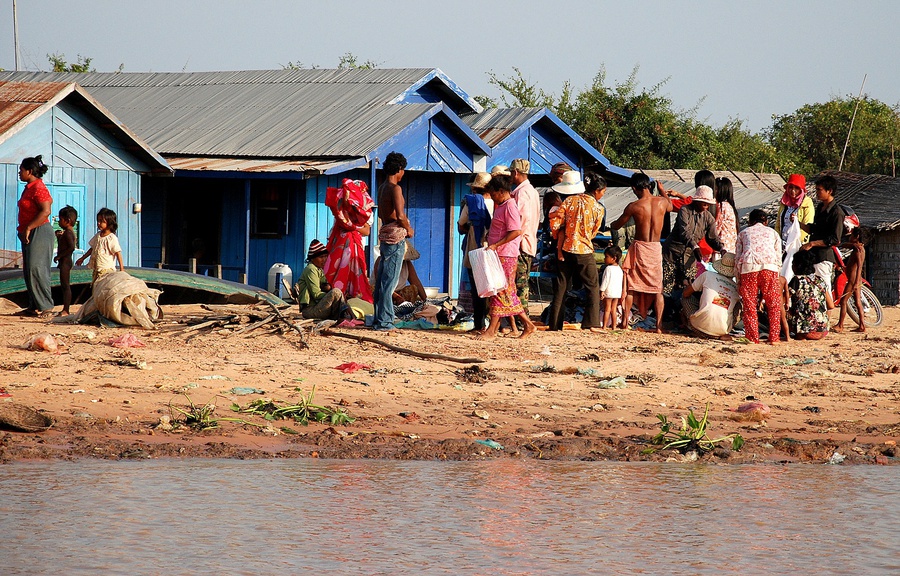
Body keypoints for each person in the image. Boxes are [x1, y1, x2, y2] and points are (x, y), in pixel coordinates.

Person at [609, 173, 674, 332]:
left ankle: (624, 322)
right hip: (655, 248)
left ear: (634, 188)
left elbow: (617, 225)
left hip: (640, 248)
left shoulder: (634, 206)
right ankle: (659, 326)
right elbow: (671, 206)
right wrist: (662, 190)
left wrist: (610, 223)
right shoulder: (662, 203)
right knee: (658, 289)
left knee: (631, 286)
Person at [476, 174, 535, 340]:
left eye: (493, 194)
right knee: (504, 291)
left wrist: (496, 244)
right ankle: (527, 325)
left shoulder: (509, 206)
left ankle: (492, 330)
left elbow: (516, 231)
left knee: (500, 290)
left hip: (506, 254)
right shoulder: (502, 205)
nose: (492, 197)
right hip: (499, 253)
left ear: (501, 191)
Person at [547, 171, 604, 331]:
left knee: (561, 287)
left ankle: (555, 324)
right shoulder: (598, 208)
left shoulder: (566, 203)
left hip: (565, 249)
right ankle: (591, 322)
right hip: (584, 250)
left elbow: (555, 225)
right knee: (592, 286)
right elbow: (594, 231)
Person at [372, 152, 413, 332]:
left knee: (383, 278)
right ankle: (385, 321)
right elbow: (400, 215)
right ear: (399, 169)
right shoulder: (395, 188)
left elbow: (383, 213)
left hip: (385, 232)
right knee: (389, 281)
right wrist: (409, 229)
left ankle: (378, 318)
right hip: (395, 235)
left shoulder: (382, 187)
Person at [661, 184, 723, 296]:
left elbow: (712, 238)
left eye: (708, 204)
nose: (706, 205)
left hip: (690, 257)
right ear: (696, 201)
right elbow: (685, 231)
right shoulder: (684, 210)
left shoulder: (708, 217)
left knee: (687, 288)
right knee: (667, 287)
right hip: (672, 252)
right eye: (704, 203)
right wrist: (695, 246)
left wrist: (722, 248)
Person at [323, 178, 375, 303]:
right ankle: (338, 300)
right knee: (337, 274)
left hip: (354, 248)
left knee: (352, 275)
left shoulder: (363, 213)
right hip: (340, 246)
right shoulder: (341, 211)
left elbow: (367, 231)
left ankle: (348, 300)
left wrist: (351, 226)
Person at [734, 209, 782, 344]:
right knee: (773, 304)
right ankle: (774, 337)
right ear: (765, 222)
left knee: (749, 304)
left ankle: (752, 337)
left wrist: (738, 279)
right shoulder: (773, 233)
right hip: (769, 267)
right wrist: (776, 273)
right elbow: (778, 257)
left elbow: (737, 257)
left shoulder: (743, 233)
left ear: (750, 222)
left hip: (748, 267)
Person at [16, 155, 55, 318]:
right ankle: (33, 306)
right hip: (28, 231)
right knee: (28, 270)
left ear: (29, 171)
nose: (19, 173)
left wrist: (29, 227)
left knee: (37, 268)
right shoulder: (29, 187)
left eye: (21, 170)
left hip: (39, 230)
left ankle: (46, 306)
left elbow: (46, 211)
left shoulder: (39, 187)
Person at [798, 175, 844, 302]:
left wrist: (812, 243)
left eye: (819, 190)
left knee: (825, 290)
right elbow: (814, 229)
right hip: (813, 256)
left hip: (824, 257)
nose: (817, 192)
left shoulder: (836, 212)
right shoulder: (820, 208)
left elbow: (835, 239)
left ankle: (827, 320)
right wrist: (799, 224)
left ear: (829, 191)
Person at [457, 172, 493, 331]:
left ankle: (479, 324)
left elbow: (461, 223)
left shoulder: (471, 203)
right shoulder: (499, 203)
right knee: (492, 285)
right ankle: (495, 323)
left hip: (475, 246)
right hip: (493, 246)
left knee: (476, 286)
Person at [508, 159, 540, 317]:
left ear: (515, 173)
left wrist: (513, 241)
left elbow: (521, 220)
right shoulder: (532, 191)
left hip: (521, 245)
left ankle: (522, 318)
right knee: (520, 282)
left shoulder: (522, 193)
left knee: (520, 284)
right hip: (527, 242)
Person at [681, 252, 740, 338]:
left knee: (685, 298)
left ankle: (690, 324)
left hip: (698, 327)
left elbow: (686, 294)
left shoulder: (708, 275)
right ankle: (724, 329)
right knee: (738, 305)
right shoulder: (736, 287)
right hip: (722, 331)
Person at [296, 240, 350, 320]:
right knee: (336, 292)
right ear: (312, 258)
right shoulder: (311, 269)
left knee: (339, 294)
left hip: (318, 307)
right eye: (321, 257)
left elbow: (326, 286)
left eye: (325, 256)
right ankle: (341, 317)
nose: (324, 259)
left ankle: (342, 317)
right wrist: (333, 295)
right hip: (310, 310)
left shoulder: (319, 270)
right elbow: (316, 294)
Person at [788, 249, 833, 340]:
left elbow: (783, 300)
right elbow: (831, 305)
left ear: (797, 265)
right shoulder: (820, 280)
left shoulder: (797, 280)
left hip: (804, 331)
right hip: (822, 331)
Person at [76, 208, 124, 285]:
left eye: (102, 221)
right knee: (96, 286)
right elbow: (92, 248)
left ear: (109, 223)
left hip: (106, 269)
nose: (99, 223)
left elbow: (118, 253)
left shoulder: (111, 238)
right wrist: (82, 258)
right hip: (97, 268)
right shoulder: (98, 236)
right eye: (98, 221)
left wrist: (122, 268)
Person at [834, 225, 866, 333]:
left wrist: (856, 283)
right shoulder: (858, 247)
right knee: (857, 302)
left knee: (843, 301)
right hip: (855, 280)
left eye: (851, 235)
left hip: (853, 280)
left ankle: (840, 325)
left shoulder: (858, 250)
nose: (849, 237)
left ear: (856, 236)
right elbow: (844, 244)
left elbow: (860, 266)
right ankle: (862, 325)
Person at [776, 173, 815, 249]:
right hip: (781, 243)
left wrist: (795, 243)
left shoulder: (807, 204)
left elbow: (807, 225)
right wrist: (777, 239)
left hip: (798, 244)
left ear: (801, 190)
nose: (793, 191)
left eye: (796, 188)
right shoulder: (784, 202)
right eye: (790, 187)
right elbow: (778, 223)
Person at [54, 205, 78, 316]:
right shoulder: (67, 232)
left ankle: (66, 310)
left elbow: (71, 247)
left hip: (66, 262)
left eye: (60, 219)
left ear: (67, 221)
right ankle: (65, 309)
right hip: (64, 261)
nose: (59, 222)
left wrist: (59, 256)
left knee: (65, 286)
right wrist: (59, 237)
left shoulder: (68, 233)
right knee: (64, 285)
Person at [599, 245, 624, 330]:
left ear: (613, 258)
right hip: (617, 293)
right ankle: (614, 326)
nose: (604, 259)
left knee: (607, 309)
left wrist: (602, 290)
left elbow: (605, 281)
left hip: (609, 292)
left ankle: (604, 326)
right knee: (614, 309)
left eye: (606, 257)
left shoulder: (608, 269)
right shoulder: (620, 269)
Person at [714, 177, 739, 255]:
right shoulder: (729, 206)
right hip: (729, 247)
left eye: (715, 189)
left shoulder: (722, 206)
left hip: (722, 248)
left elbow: (716, 226)